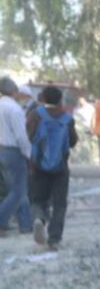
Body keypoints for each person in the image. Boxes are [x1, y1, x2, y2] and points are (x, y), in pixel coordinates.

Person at [26, 85, 78, 250]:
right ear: (59, 100)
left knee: (36, 199)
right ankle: (54, 239)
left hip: (38, 166)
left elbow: (30, 136)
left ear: (43, 99)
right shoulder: (67, 118)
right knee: (59, 204)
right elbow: (73, 141)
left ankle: (39, 219)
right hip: (60, 167)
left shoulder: (35, 115)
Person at [0, 77, 33, 237]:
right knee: (18, 191)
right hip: (14, 151)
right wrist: (29, 153)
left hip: (2, 150)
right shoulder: (15, 109)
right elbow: (21, 136)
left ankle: (26, 224)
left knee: (15, 189)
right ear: (14, 91)